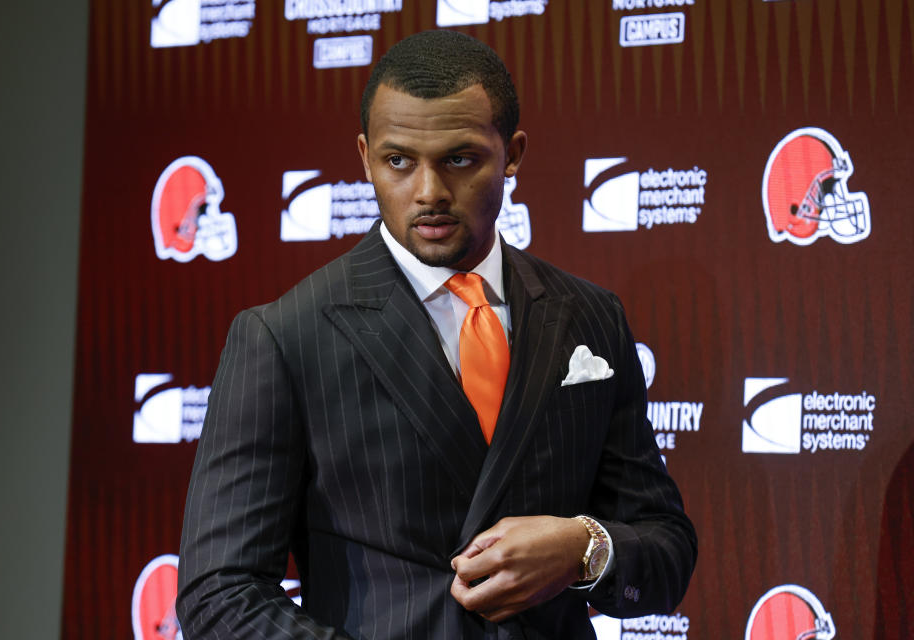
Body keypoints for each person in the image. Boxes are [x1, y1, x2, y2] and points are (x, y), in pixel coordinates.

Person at [177, 30, 696, 639]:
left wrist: (583, 549)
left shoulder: (589, 317)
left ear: (514, 154)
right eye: (399, 161)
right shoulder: (285, 336)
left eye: (460, 159)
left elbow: (665, 551)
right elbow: (220, 594)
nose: (428, 193)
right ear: (365, 157)